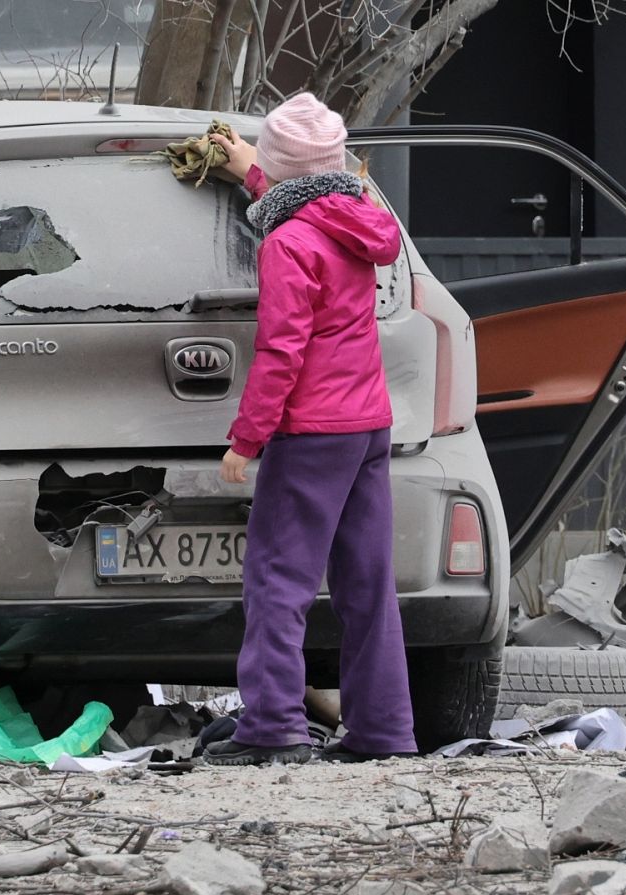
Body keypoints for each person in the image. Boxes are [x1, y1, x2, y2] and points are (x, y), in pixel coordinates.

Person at [200, 94, 417, 766]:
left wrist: (247, 438)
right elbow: (307, 200)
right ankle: (383, 733)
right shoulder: (358, 219)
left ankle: (272, 729)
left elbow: (281, 351)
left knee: (277, 581)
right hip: (367, 428)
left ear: (282, 164)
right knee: (367, 585)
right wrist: (252, 173)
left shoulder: (286, 242)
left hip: (311, 431)